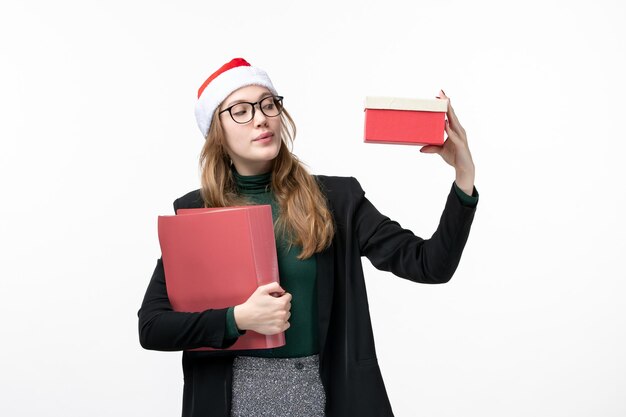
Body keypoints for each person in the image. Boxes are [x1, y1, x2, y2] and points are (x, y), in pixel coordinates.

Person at [138, 57, 479, 417]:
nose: (260, 118)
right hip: (230, 399)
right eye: (241, 110)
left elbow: (431, 265)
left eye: (268, 104)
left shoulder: (337, 201)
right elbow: (153, 326)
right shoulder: (196, 213)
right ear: (216, 132)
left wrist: (464, 176)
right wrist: (236, 319)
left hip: (320, 395)